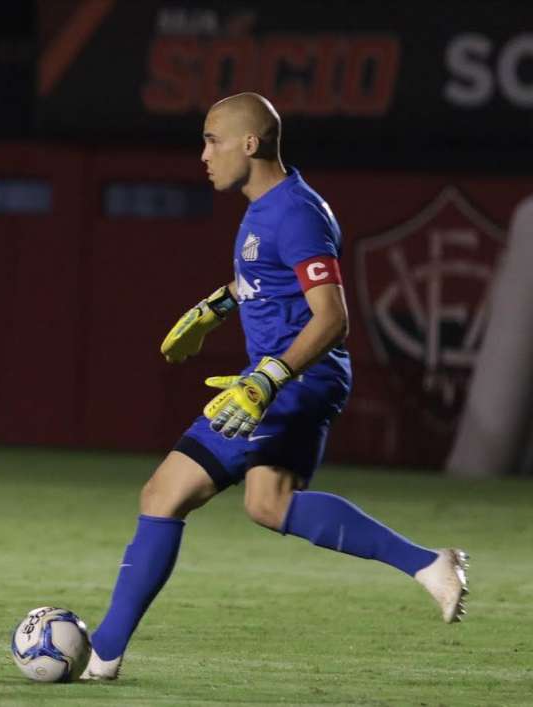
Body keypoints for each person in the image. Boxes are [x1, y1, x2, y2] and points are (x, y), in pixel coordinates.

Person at [82, 94, 468, 680]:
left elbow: (332, 316)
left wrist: (266, 379)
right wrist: (216, 307)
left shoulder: (296, 213)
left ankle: (102, 654)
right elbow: (264, 279)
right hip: (294, 379)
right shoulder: (268, 206)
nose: (203, 154)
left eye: (212, 139)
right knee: (270, 504)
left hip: (290, 378)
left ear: (250, 144)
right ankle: (429, 565)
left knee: (163, 495)